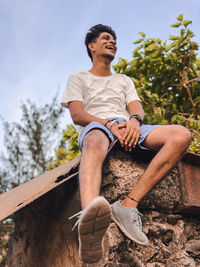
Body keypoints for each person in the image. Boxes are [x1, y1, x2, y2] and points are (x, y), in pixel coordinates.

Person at [61, 24, 191, 264]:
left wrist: (134, 120)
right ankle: (90, 217)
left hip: (129, 127)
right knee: (93, 138)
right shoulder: (78, 78)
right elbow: (78, 114)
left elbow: (136, 107)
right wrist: (108, 125)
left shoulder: (123, 80)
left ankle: (127, 205)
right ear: (92, 46)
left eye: (114, 40)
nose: (112, 42)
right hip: (98, 126)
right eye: (105, 38)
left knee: (181, 135)